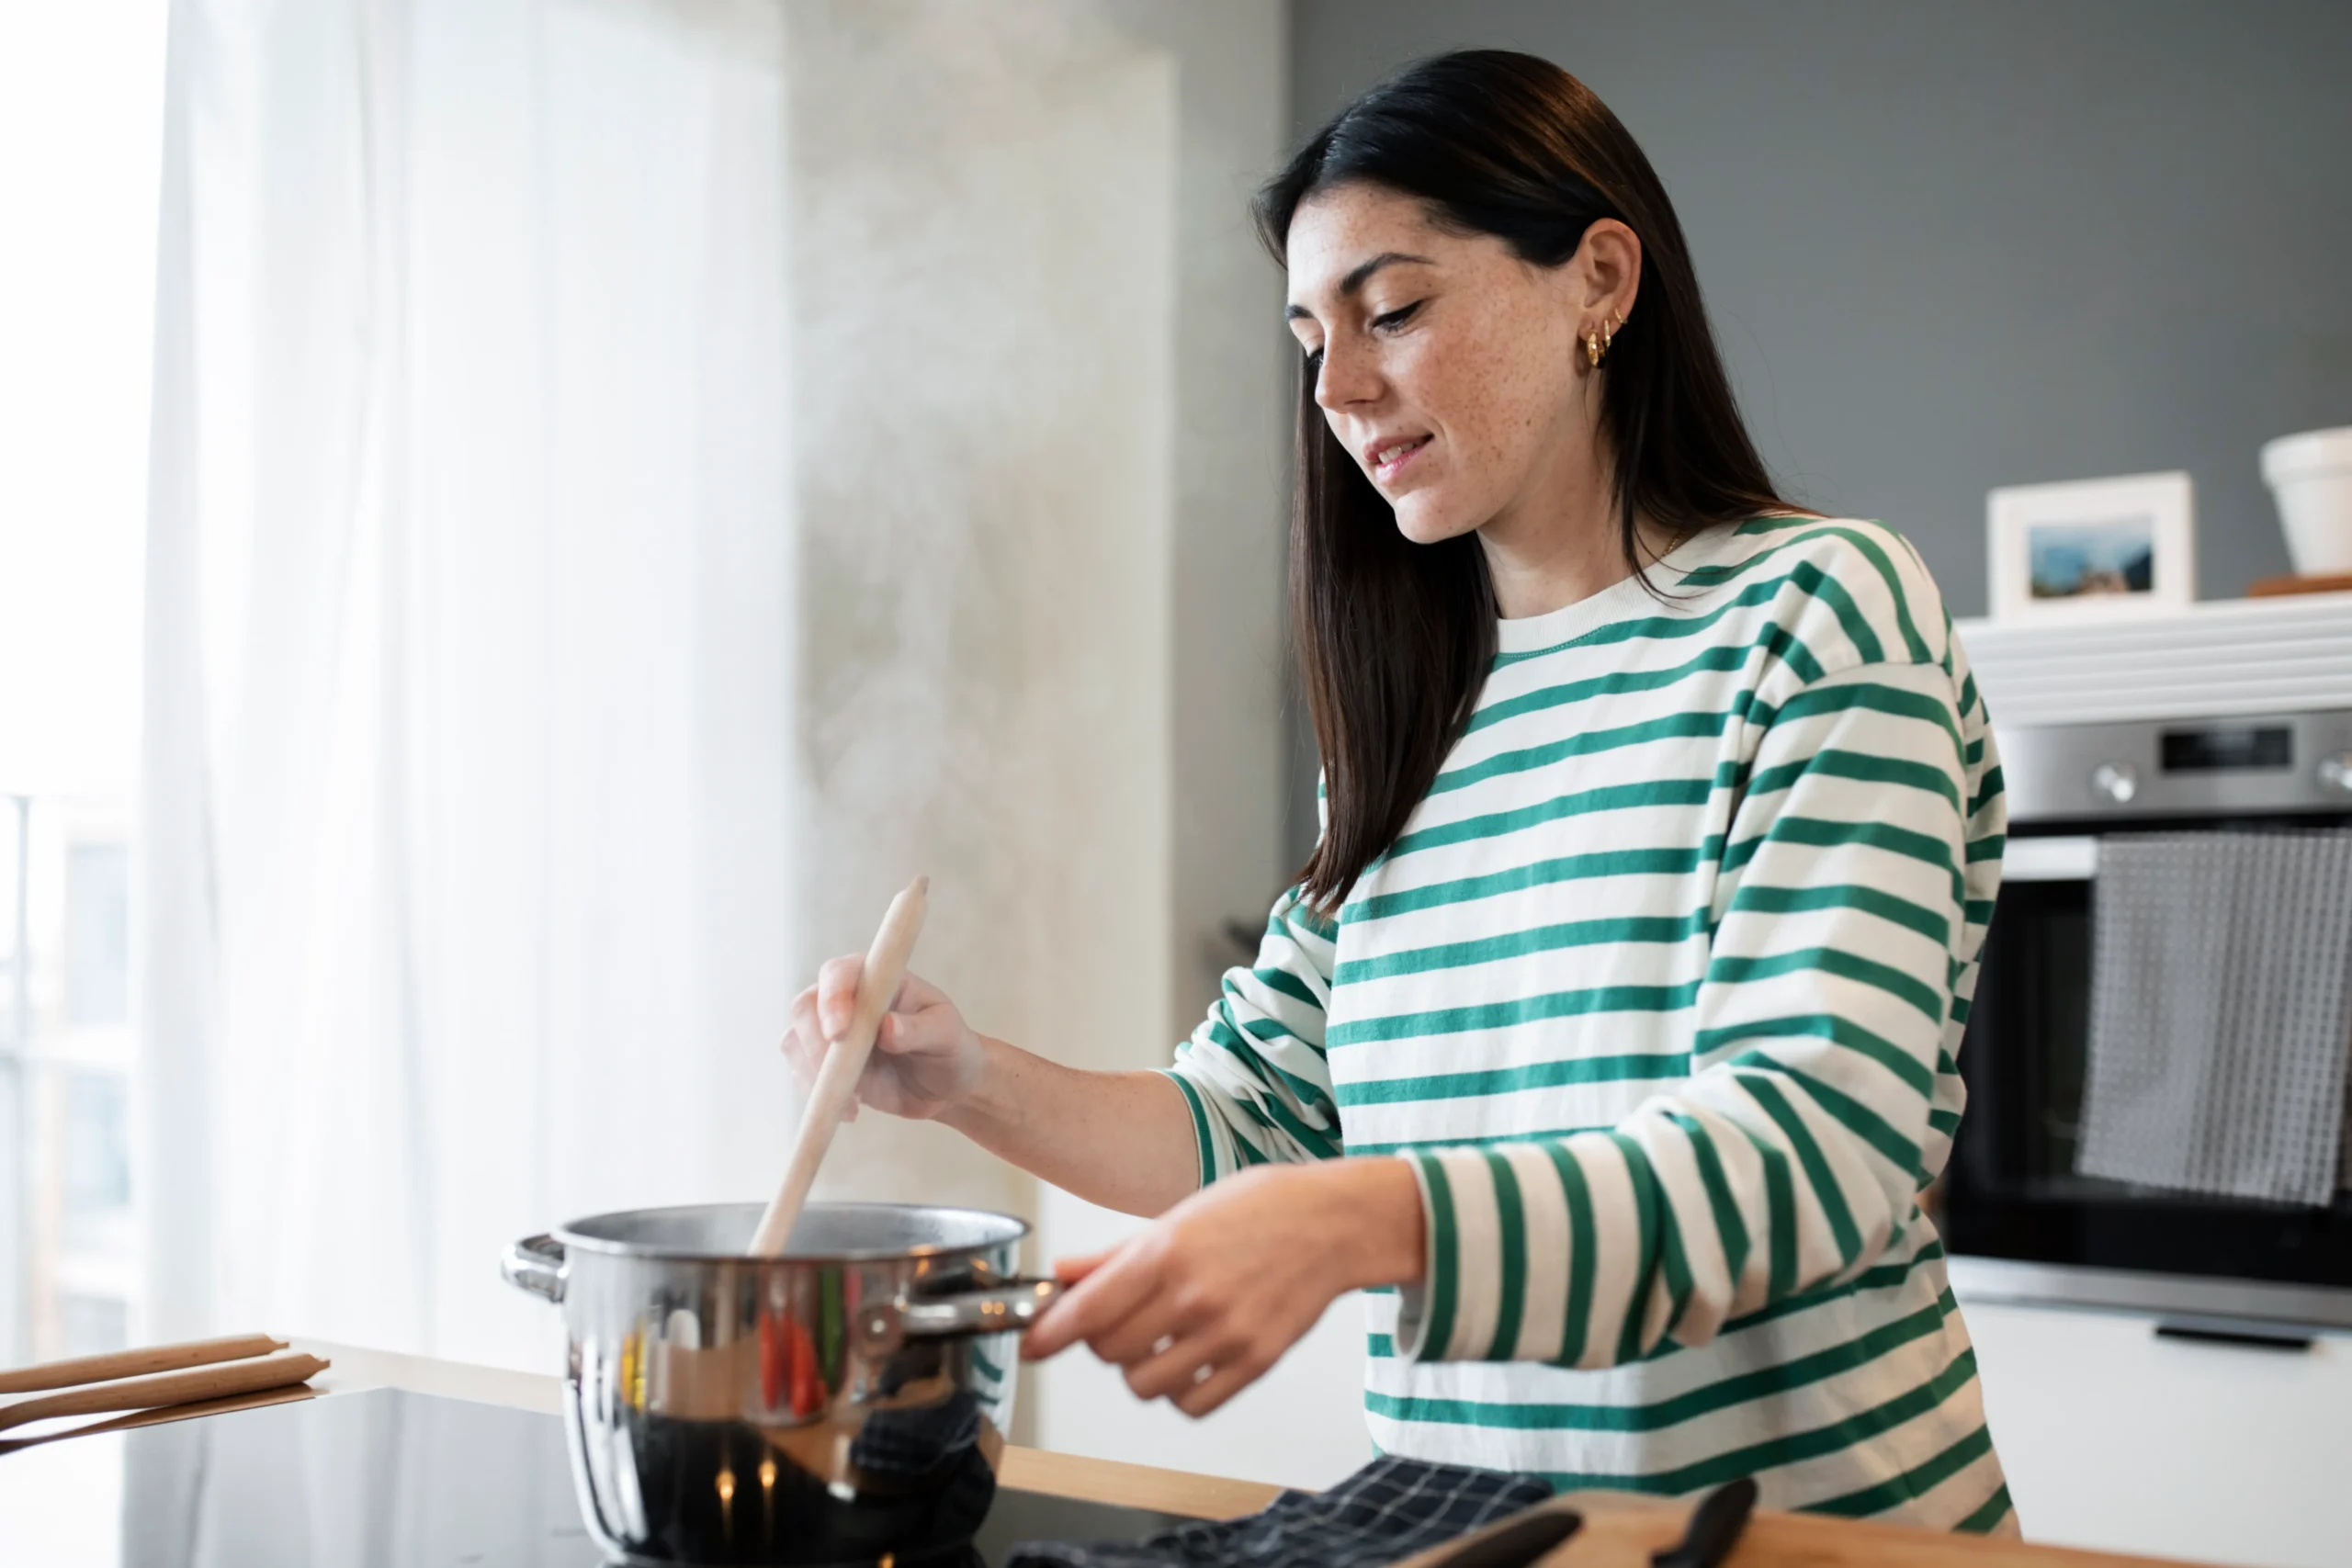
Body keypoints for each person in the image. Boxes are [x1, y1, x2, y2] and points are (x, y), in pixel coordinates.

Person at [784, 49, 2012, 1533]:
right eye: (1311, 338)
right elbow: (1251, 1120)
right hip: (1477, 1538)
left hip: (1807, 1545)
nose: (1340, 387)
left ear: (1599, 283)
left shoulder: (1817, 611)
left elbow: (1811, 1149)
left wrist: (1370, 1214)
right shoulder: (1413, 717)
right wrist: (969, 1077)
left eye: (1396, 310)